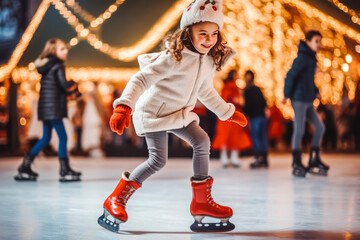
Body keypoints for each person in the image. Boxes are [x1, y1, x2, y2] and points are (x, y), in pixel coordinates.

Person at [97, 0, 247, 233]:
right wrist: (124, 106)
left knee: (202, 141)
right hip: (154, 113)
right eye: (203, 33)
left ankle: (201, 203)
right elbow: (141, 79)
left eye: (214, 33)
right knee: (158, 160)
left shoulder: (206, 61)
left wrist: (228, 112)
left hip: (178, 114)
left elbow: (206, 92)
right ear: (189, 32)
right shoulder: (174, 57)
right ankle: (116, 199)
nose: (209, 39)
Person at [14, 38, 81, 182]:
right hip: (54, 108)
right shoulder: (58, 65)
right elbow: (63, 85)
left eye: (65, 48)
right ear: (53, 51)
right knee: (63, 137)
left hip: (45, 108)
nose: (66, 51)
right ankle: (64, 169)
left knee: (46, 138)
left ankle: (25, 165)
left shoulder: (46, 66)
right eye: (62, 49)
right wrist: (74, 84)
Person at [284, 30, 328, 177]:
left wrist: (316, 90)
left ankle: (314, 159)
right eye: (316, 41)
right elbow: (290, 76)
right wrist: (286, 95)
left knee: (320, 127)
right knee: (300, 129)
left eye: (320, 41)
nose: (319, 44)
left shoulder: (311, 58)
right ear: (308, 41)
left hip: (308, 99)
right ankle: (296, 162)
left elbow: (308, 79)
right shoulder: (302, 58)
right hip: (299, 99)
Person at [212, 70, 252, 168]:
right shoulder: (233, 87)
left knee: (225, 137)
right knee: (234, 137)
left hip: (225, 115)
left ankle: (225, 158)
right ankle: (233, 158)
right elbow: (238, 100)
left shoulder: (225, 87)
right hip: (233, 114)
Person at [243, 70, 269, 168]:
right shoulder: (258, 89)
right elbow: (264, 102)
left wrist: (246, 114)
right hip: (262, 116)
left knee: (256, 137)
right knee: (262, 137)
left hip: (255, 117)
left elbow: (247, 106)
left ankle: (258, 158)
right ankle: (265, 159)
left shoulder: (247, 90)